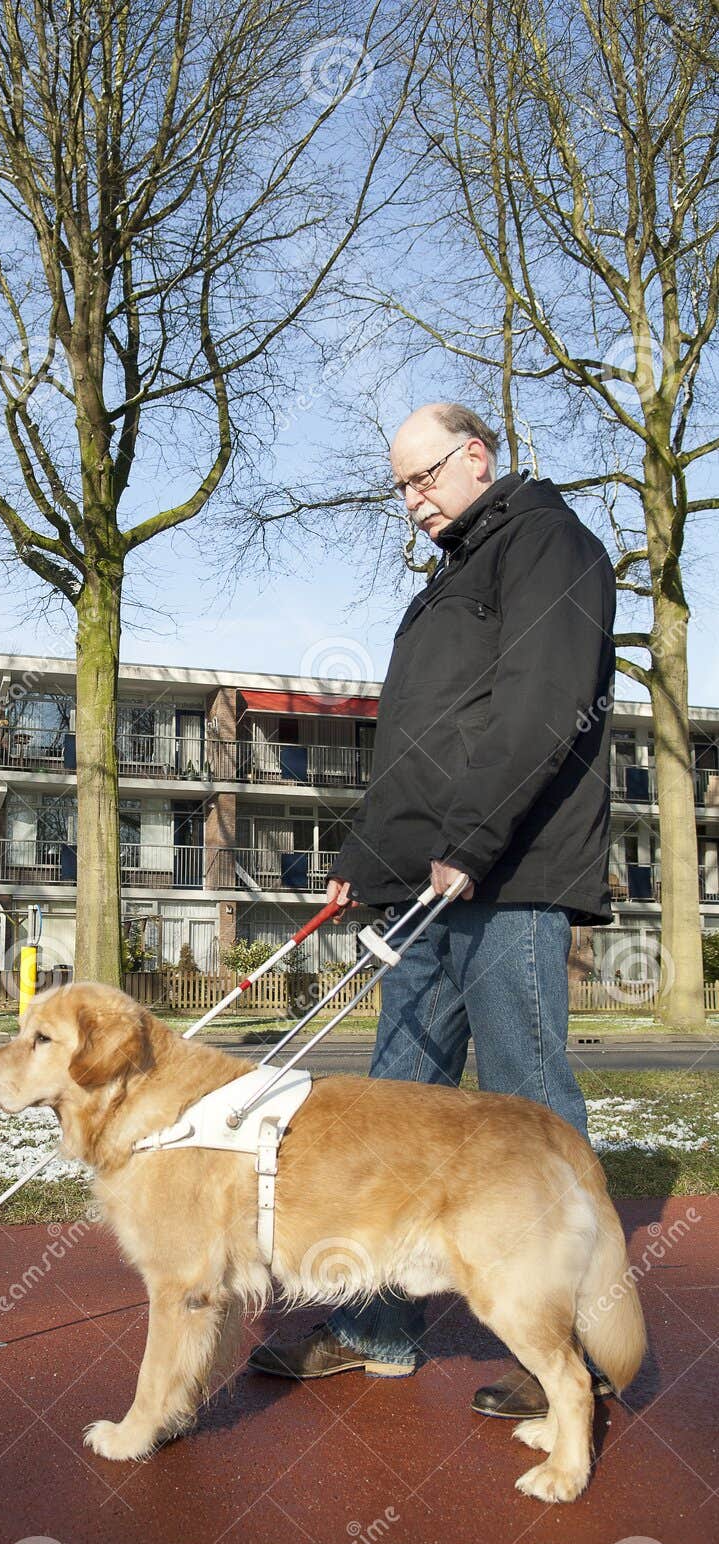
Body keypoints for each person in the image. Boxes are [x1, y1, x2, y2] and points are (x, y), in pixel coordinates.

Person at [248, 402, 617, 1421]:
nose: (412, 503)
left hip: (509, 875)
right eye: (400, 488)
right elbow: (417, 747)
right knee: (390, 1113)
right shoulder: (447, 582)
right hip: (423, 889)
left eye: (424, 479)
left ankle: (570, 1347)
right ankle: (374, 1328)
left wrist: (473, 839)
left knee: (525, 1112)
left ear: (476, 455)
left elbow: (541, 706)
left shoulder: (549, 542)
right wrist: (364, 863)